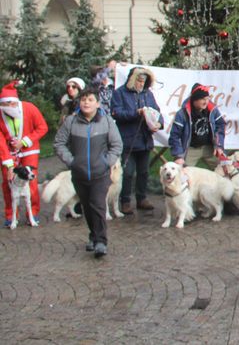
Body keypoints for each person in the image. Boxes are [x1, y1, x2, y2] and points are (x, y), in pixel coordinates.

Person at [53, 87, 123, 257]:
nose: (86, 102)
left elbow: (117, 145)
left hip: (100, 173)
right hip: (80, 173)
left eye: (90, 100)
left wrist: (108, 161)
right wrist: (72, 161)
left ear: (97, 103)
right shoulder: (71, 121)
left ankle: (101, 242)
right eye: (83, 99)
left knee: (98, 205)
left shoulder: (106, 121)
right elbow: (59, 143)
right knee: (87, 206)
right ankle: (93, 235)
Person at [110, 67, 163, 215]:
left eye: (144, 81)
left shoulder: (148, 94)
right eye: (139, 81)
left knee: (144, 172)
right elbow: (116, 113)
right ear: (132, 79)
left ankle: (141, 198)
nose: (141, 84)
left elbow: (157, 112)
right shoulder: (119, 93)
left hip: (145, 140)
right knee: (127, 173)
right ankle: (125, 201)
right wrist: (136, 113)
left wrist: (159, 123)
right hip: (128, 140)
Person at [0, 80, 48, 227]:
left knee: (31, 181)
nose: (8, 107)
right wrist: (8, 163)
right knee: (8, 183)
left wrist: (25, 141)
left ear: (16, 102)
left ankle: (32, 213)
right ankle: (11, 215)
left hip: (29, 150)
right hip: (8, 152)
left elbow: (42, 127)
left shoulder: (29, 108)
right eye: (5, 104)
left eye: (11, 103)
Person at [169, 83, 226, 169]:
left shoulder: (212, 109)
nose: (206, 102)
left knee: (226, 168)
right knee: (181, 174)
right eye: (203, 99)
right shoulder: (182, 113)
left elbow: (221, 124)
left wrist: (219, 145)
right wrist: (178, 156)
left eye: (207, 98)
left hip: (209, 147)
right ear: (195, 100)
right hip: (191, 148)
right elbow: (174, 136)